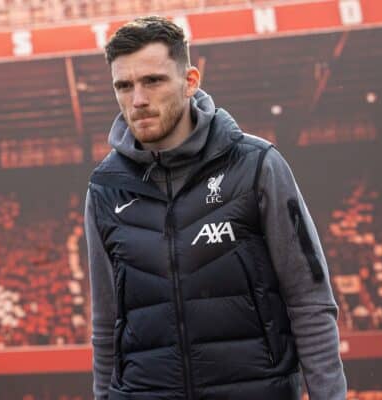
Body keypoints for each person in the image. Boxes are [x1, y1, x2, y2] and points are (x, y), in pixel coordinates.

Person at [85, 16, 347, 400]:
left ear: (190, 81)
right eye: (123, 86)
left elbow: (309, 300)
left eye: (153, 81)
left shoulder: (256, 165)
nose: (137, 100)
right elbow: (106, 324)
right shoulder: (105, 188)